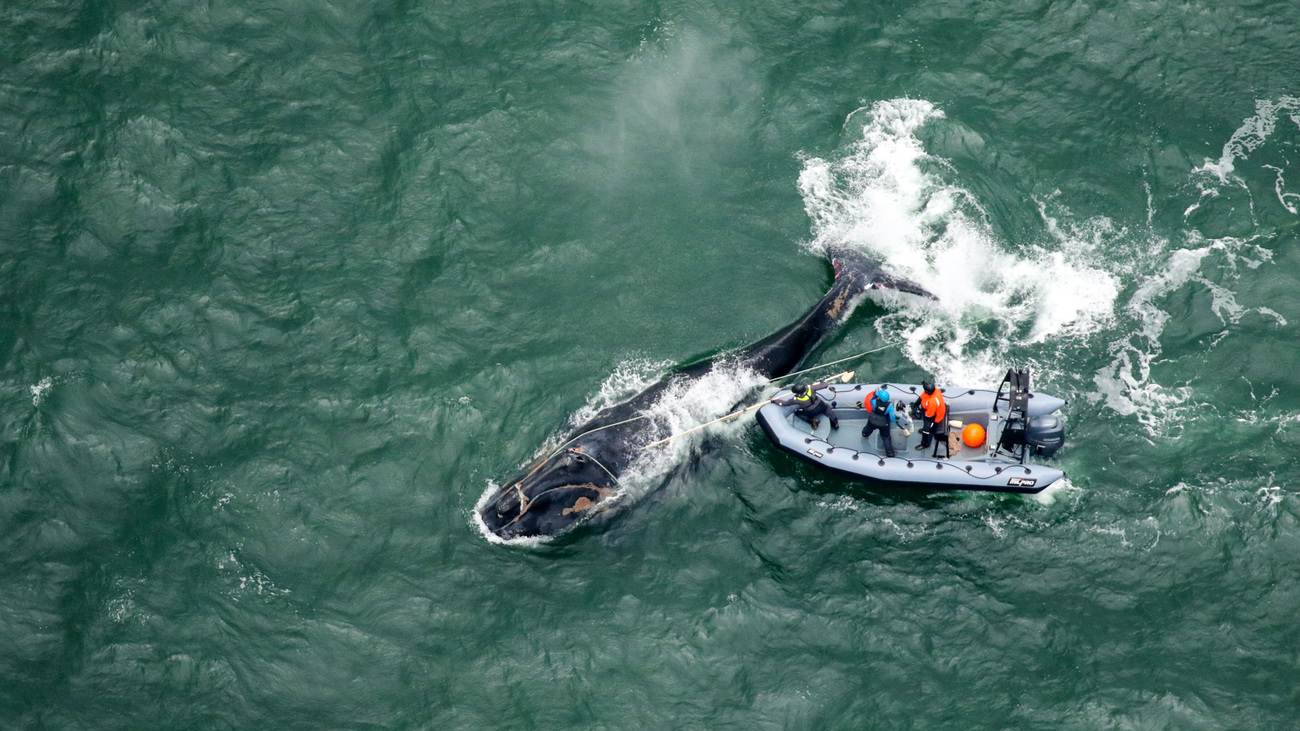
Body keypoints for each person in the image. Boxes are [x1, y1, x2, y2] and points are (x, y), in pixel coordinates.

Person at [772, 381, 839, 430]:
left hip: (811, 411)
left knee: (798, 413)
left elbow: (785, 403)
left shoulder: (795, 399)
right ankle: (835, 422)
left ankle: (813, 420)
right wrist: (822, 381)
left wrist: (775, 400)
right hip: (820, 405)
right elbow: (825, 385)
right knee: (827, 408)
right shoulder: (811, 388)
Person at [860, 387, 903, 458]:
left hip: (872, 420)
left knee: (868, 428)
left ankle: (864, 435)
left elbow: (872, 399)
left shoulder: (874, 402)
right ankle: (890, 454)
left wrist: (876, 394)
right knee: (886, 438)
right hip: (883, 423)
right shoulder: (889, 406)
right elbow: (892, 418)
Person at [915, 380, 948, 453]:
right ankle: (928, 429)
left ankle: (925, 444)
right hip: (929, 411)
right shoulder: (935, 390)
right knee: (926, 424)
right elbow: (923, 396)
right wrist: (916, 404)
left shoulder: (933, 402)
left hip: (934, 417)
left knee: (926, 430)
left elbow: (929, 415)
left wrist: (921, 413)